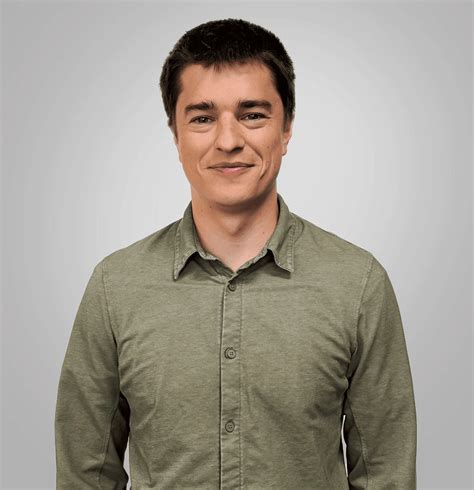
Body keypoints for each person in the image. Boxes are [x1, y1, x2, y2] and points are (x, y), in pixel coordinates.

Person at [54, 18, 417, 489]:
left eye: (252, 115)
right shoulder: (115, 286)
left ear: (286, 129)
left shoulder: (358, 284)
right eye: (202, 118)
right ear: (175, 134)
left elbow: (386, 473)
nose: (228, 141)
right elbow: (85, 472)